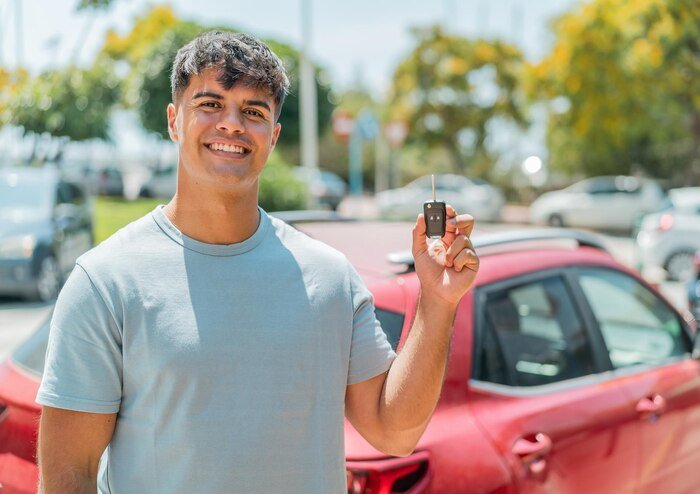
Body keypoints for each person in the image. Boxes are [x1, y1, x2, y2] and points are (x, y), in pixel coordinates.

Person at [36, 31, 479, 493]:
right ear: (173, 120)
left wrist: (438, 300)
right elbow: (70, 477)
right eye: (209, 104)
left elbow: (395, 431)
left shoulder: (329, 277)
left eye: (253, 111)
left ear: (273, 135)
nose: (232, 124)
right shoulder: (105, 281)